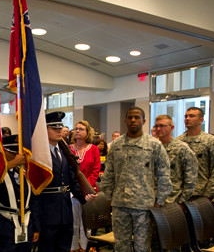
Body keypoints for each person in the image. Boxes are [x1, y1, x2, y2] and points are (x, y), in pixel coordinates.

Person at [99, 107, 172, 252]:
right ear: (125, 120)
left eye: (137, 117)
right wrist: (109, 198)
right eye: (130, 117)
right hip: (120, 205)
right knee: (121, 246)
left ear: (143, 121)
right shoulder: (116, 145)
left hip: (144, 206)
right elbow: (109, 174)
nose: (133, 120)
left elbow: (164, 175)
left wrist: (159, 202)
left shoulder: (154, 145)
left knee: (142, 247)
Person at [38, 111, 97, 252]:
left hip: (65, 210)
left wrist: (85, 195)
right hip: (47, 212)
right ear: (44, 130)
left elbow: (71, 178)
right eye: (54, 128)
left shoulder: (65, 152)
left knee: (64, 247)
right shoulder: (40, 154)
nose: (59, 131)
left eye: (60, 127)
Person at [0, 135, 40, 252]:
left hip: (26, 226)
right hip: (5, 228)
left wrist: (36, 227)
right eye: (12, 152)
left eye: (18, 152)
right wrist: (12, 163)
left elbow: (33, 201)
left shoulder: (24, 171)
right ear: (3, 151)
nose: (16, 155)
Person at [175, 107, 214, 201]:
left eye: (192, 116)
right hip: (181, 192)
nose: (187, 118)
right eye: (186, 116)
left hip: (201, 193)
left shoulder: (210, 141)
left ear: (201, 120)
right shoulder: (178, 141)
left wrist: (209, 193)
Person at [69, 120, 101, 252]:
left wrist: (85, 187)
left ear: (88, 133)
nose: (77, 131)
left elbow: (96, 170)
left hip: (89, 192)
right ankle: (73, 248)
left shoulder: (94, 149)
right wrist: (76, 188)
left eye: (81, 129)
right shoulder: (69, 149)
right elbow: (68, 171)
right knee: (73, 223)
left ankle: (85, 248)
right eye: (76, 128)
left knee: (86, 224)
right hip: (71, 192)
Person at [154, 115, 197, 205]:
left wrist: (182, 202)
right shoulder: (152, 148)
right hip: (153, 199)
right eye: (156, 126)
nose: (158, 129)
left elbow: (191, 178)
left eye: (162, 126)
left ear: (171, 128)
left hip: (173, 200)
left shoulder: (181, 148)